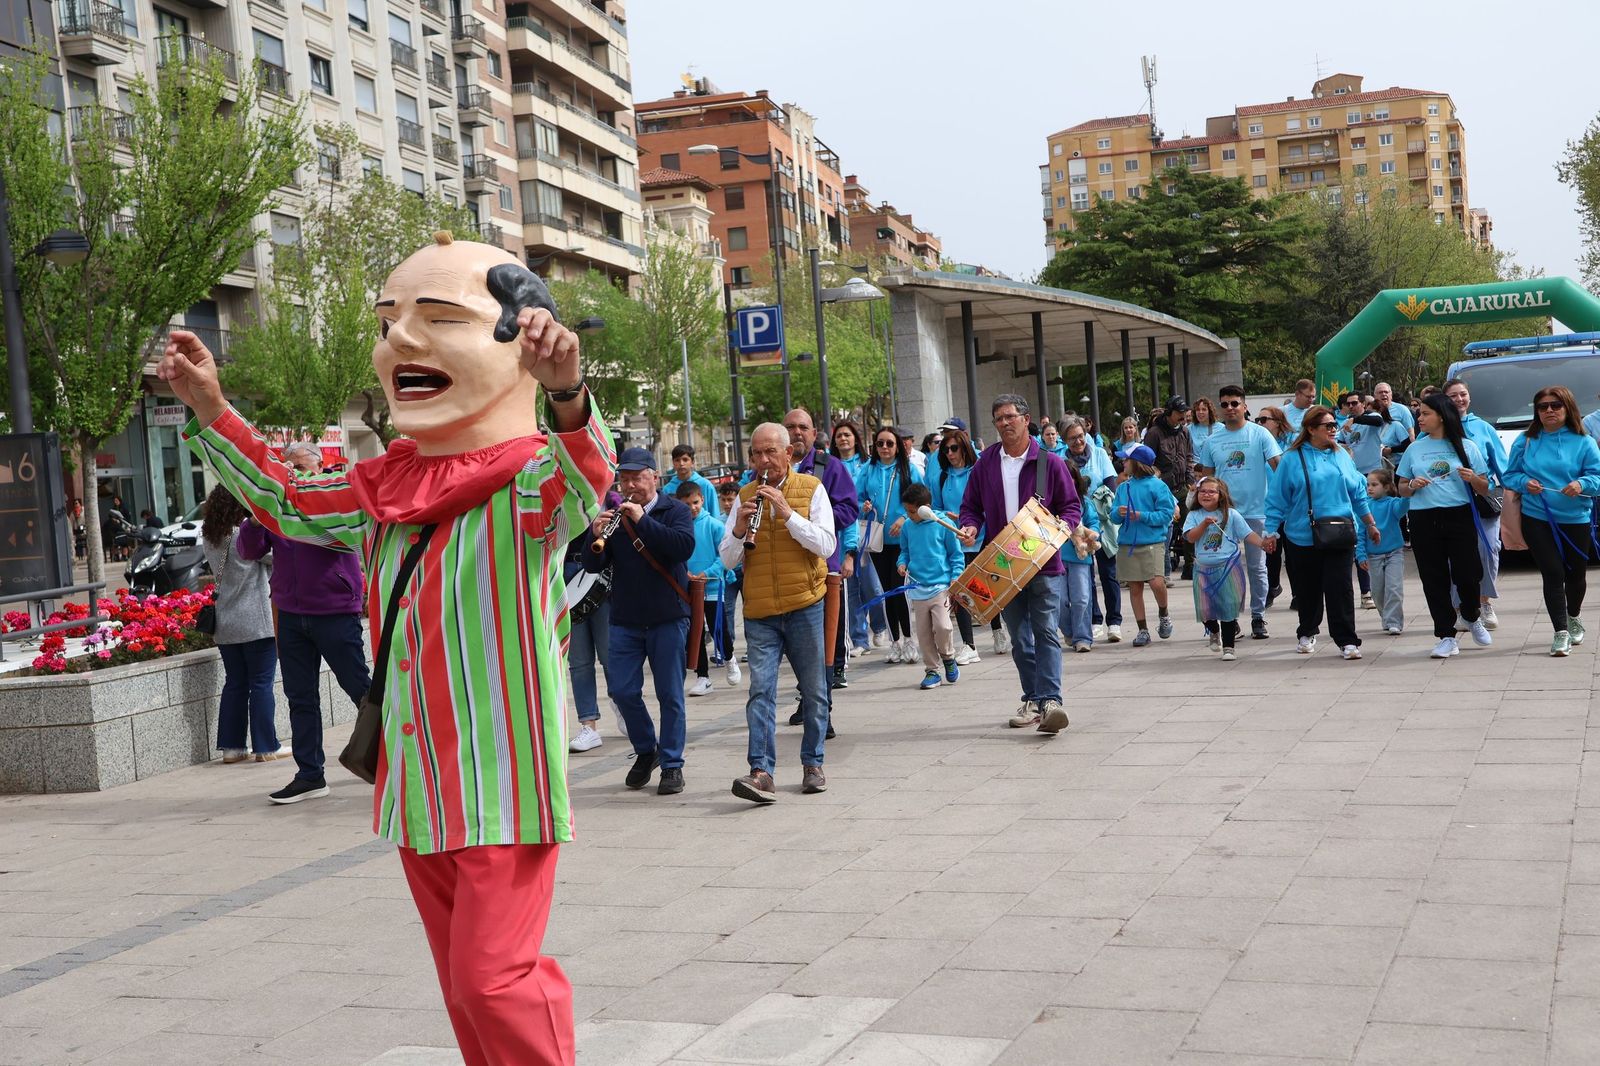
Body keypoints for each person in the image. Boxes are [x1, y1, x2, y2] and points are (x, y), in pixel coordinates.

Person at [162, 232, 611, 1065]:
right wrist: (211, 407)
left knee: (493, 979)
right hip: (417, 784)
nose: (400, 339)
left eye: (440, 319)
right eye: (390, 319)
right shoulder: (383, 489)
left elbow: (586, 476)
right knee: (459, 985)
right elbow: (287, 499)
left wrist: (571, 396)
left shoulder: (527, 483)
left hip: (501, 781)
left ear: (527, 344)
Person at [235, 441, 372, 806]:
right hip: (291, 613)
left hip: (335, 609)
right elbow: (248, 551)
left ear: (319, 466)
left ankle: (395, 756)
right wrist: (255, 512)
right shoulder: (277, 507)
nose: (293, 474)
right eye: (288, 468)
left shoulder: (336, 499)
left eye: (299, 467)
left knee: (361, 689)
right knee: (300, 696)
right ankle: (310, 774)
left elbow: (348, 540)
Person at [720, 423, 836, 803]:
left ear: (789, 455)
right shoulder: (745, 495)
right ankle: (761, 771)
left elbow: (826, 544)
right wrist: (739, 531)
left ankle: (813, 763)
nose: (764, 461)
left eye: (771, 452)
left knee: (815, 690)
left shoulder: (811, 490)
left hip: (804, 604)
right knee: (760, 692)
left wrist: (787, 514)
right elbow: (726, 558)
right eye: (757, 453)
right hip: (760, 611)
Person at [958, 393, 1080, 734]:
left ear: (1026, 419)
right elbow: (971, 506)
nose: (1004, 423)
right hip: (1001, 564)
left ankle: (1051, 701)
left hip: (1043, 561)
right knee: (1020, 639)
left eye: (1010, 416)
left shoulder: (1049, 463)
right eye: (998, 418)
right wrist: (970, 526)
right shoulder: (985, 463)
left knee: (1045, 631)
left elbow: (1071, 507)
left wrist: (1063, 529)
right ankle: (1033, 698)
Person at [582, 448, 695, 792]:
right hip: (626, 619)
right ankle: (647, 750)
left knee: (670, 694)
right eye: (625, 478)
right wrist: (593, 534)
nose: (630, 484)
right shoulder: (615, 515)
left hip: (667, 617)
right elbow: (592, 565)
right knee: (621, 690)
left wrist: (643, 520)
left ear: (654, 478)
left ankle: (672, 764)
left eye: (637, 477)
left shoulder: (674, 510)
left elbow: (681, 548)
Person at [1263, 405, 1377, 660]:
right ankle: (1307, 631)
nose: (1334, 430)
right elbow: (1277, 498)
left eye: (1335, 425)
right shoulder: (1293, 458)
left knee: (1341, 587)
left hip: (1341, 532)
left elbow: (1358, 493)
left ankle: (1347, 640)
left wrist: (1370, 523)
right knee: (1308, 588)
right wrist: (1270, 531)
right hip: (1302, 535)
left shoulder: (1342, 455)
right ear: (1311, 429)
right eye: (1328, 426)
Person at [1502, 385, 1600, 656]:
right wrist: (1524, 482)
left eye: (1555, 405)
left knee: (1576, 574)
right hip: (1537, 516)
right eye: (1542, 406)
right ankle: (1560, 632)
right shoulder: (1526, 440)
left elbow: (1598, 478)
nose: (1548, 411)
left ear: (1568, 407)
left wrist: (1581, 484)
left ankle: (1574, 615)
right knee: (1553, 573)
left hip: (1575, 517)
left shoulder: (1584, 441)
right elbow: (1509, 476)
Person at [1397, 394, 1493, 658]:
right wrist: (1412, 485)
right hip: (1423, 518)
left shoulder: (1466, 446)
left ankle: (1473, 615)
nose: (1420, 418)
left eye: (1425, 413)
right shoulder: (1415, 448)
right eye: (1420, 414)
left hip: (1459, 515)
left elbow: (1486, 487)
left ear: (1441, 415)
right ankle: (1446, 635)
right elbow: (1401, 488)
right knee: (1433, 578)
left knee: (1468, 573)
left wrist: (1473, 478)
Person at [200, 485, 285, 763]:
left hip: (226, 622)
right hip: (256, 620)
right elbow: (275, 556)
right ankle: (266, 747)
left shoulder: (210, 538)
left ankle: (232, 748)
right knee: (261, 683)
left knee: (235, 683)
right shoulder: (243, 535)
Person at [1198, 385, 1282, 639]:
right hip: (1225, 514)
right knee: (1223, 566)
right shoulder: (1212, 441)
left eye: (1235, 403)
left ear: (1245, 407)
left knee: (1257, 567)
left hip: (1258, 512)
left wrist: (1285, 500)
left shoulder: (1260, 434)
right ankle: (1229, 619)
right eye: (1224, 404)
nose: (1230, 408)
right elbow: (1207, 480)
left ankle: (1259, 617)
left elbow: (1279, 468)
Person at [787, 408, 860, 690]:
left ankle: (832, 674)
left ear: (814, 434)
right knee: (797, 641)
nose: (797, 433)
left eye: (803, 427)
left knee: (828, 631)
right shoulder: (769, 468)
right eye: (791, 427)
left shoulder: (828, 466)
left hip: (823, 565)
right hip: (785, 570)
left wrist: (814, 522)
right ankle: (807, 695)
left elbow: (849, 509)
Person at [933, 427, 1004, 662]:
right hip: (955, 542)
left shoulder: (979, 471)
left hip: (982, 538)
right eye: (946, 449)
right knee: (960, 591)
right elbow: (936, 507)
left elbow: (989, 504)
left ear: (964, 447)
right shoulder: (942, 476)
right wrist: (947, 518)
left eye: (954, 448)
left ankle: (997, 630)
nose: (950, 453)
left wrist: (971, 522)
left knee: (986, 589)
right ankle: (968, 645)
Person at [1443, 378, 1508, 630]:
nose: (1459, 400)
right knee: (1455, 557)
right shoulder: (1437, 429)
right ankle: (1460, 608)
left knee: (1489, 550)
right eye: (1453, 396)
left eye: (1463, 394)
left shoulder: (1483, 428)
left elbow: (1501, 466)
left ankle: (1485, 602)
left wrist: (1509, 492)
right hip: (1450, 502)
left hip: (1484, 499)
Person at [1336, 391, 1410, 611]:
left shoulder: (1371, 419)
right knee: (1357, 530)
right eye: (1348, 404)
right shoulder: (1345, 425)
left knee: (1375, 521)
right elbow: (1340, 445)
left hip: (1373, 476)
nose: (1351, 407)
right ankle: (1366, 587)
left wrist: (1354, 419)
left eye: (1355, 403)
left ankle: (1367, 591)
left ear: (1363, 404)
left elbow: (1376, 419)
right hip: (1352, 478)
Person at [1183, 477, 1266, 662]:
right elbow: (1190, 538)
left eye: (1211, 491)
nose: (1206, 494)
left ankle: (1229, 647)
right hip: (1203, 568)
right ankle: (1213, 630)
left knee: (1228, 608)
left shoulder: (1232, 514)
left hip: (1228, 567)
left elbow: (1248, 534)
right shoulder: (1194, 515)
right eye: (1203, 491)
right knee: (1205, 609)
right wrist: (1204, 524)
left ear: (1221, 495)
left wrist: (1262, 544)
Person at [859, 425, 920, 663]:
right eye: (880, 443)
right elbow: (856, 497)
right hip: (878, 541)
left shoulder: (909, 469)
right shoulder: (868, 469)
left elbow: (923, 499)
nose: (885, 447)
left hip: (904, 541)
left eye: (890, 443)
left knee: (900, 591)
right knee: (886, 592)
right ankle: (894, 643)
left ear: (898, 446)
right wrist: (863, 506)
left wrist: (905, 517)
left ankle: (909, 639)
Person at [897, 482, 962, 689]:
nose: (909, 515)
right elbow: (904, 551)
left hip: (940, 586)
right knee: (924, 633)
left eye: (913, 511)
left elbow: (956, 555)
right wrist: (902, 563)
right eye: (906, 511)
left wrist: (955, 577)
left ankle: (948, 657)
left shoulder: (942, 525)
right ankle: (932, 670)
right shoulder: (908, 526)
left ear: (926, 509)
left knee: (943, 626)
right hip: (917, 588)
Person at [1062, 416, 1121, 643]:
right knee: (1085, 575)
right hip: (1076, 520)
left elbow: (1111, 484)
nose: (1078, 442)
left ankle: (1114, 620)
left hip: (1100, 519)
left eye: (1080, 436)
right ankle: (1094, 619)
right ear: (1065, 440)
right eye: (1072, 438)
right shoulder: (1061, 459)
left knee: (1108, 572)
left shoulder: (1098, 454)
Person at [1113, 444, 1177, 647]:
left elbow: (1167, 515)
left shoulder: (1158, 486)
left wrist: (1141, 516)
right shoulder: (1123, 487)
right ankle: (1142, 629)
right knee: (1134, 587)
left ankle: (1164, 613)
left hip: (1153, 542)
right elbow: (1113, 515)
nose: (1123, 463)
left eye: (1126, 460)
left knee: (1157, 582)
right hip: (1127, 543)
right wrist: (1118, 514)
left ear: (1137, 463)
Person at [831, 419, 884, 654]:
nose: (843, 439)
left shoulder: (867, 465)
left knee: (873, 586)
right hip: (842, 533)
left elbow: (864, 495)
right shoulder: (830, 466)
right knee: (850, 587)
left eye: (847, 435)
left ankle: (880, 624)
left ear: (856, 439)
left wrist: (864, 505)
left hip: (866, 532)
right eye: (839, 435)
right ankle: (859, 638)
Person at [563, 522, 615, 754]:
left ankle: (623, 704)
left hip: (598, 570)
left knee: (609, 653)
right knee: (579, 661)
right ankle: (588, 724)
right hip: (564, 572)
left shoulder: (597, 497)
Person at [678, 481, 731, 694]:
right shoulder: (679, 527)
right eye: (686, 504)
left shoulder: (715, 525)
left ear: (702, 499)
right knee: (696, 633)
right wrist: (684, 574)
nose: (692, 508)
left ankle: (729, 658)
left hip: (711, 587)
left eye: (695, 502)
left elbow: (726, 556)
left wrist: (707, 573)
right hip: (689, 589)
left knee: (719, 629)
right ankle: (703, 676)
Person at [1143, 396, 1196, 581]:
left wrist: (1190, 479)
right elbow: (1146, 462)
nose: (1183, 416)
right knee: (1164, 532)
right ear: (1169, 412)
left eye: (1184, 412)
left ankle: (1190, 566)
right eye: (1179, 412)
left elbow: (1189, 457)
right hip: (1162, 489)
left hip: (1183, 486)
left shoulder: (1185, 432)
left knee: (1190, 525)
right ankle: (1161, 572)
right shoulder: (1154, 433)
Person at [1060, 466, 1101, 653]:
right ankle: (1069, 632)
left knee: (1082, 599)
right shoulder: (1048, 503)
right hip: (1055, 557)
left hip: (1080, 557)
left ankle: (1083, 636)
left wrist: (1092, 535)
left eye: (1072, 477)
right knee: (1058, 600)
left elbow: (1094, 524)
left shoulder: (1085, 502)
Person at [1364, 470, 1409, 636]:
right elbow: (1361, 532)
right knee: (1377, 591)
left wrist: (1408, 488)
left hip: (1394, 553)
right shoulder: (1365, 506)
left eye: (1374, 485)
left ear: (1387, 487)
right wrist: (1361, 554)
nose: (1370, 488)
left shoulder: (1392, 504)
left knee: (1394, 588)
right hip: (1373, 555)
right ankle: (1387, 616)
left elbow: (1403, 506)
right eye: (1368, 484)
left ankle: (1393, 621)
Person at [715, 481, 744, 674]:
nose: (727, 504)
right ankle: (727, 648)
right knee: (727, 610)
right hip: (727, 572)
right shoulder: (718, 521)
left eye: (731, 500)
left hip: (744, 570)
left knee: (749, 609)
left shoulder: (743, 517)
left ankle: (752, 646)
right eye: (724, 500)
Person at [661, 443, 721, 518]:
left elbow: (715, 513)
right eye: (677, 460)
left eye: (685, 460)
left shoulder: (706, 485)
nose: (681, 463)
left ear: (692, 462)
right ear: (673, 463)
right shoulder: (667, 490)